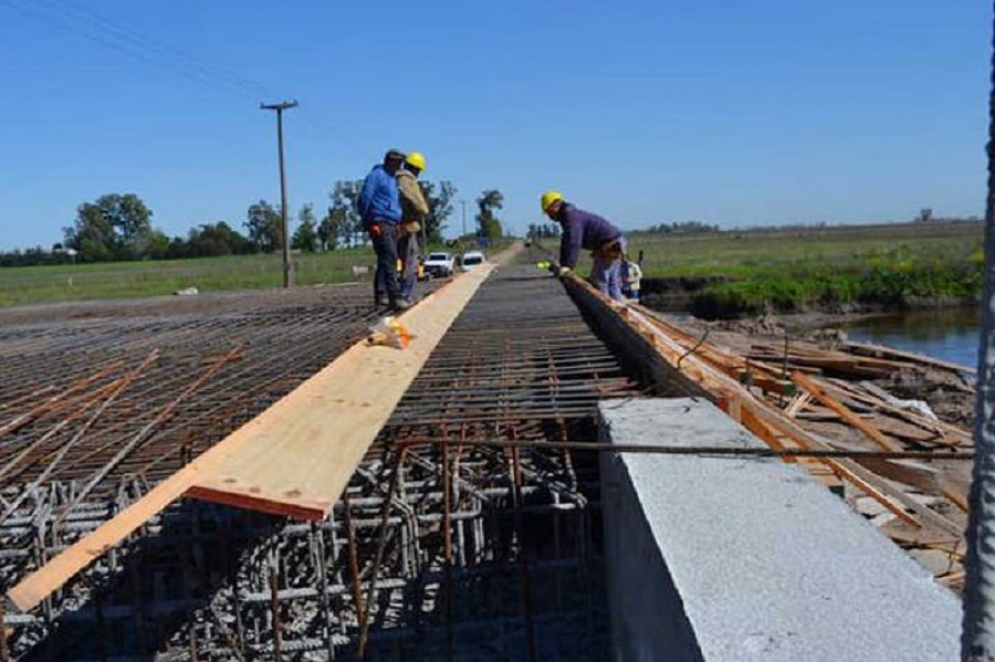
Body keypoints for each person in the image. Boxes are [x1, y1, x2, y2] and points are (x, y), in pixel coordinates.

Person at [540, 191, 627, 300]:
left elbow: (573, 241)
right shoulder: (568, 215)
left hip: (611, 246)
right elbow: (566, 241)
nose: (549, 216)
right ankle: (619, 307)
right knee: (611, 282)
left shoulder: (570, 217)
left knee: (600, 281)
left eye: (548, 212)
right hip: (614, 242)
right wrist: (563, 264)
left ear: (554, 206)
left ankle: (609, 310)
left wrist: (568, 266)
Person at [359, 149, 407, 311]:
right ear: (389, 161)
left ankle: (382, 295)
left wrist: (397, 222)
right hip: (380, 222)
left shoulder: (392, 179)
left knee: (385, 260)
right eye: (397, 163)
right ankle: (395, 297)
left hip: (392, 223)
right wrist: (368, 221)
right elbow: (365, 198)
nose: (399, 166)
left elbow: (392, 202)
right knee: (390, 258)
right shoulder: (377, 176)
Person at [396, 151, 430, 303]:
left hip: (401, 225)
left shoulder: (396, 178)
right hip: (406, 225)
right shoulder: (405, 180)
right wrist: (423, 209)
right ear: (414, 168)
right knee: (410, 262)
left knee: (404, 261)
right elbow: (414, 200)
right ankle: (405, 295)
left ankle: (404, 294)